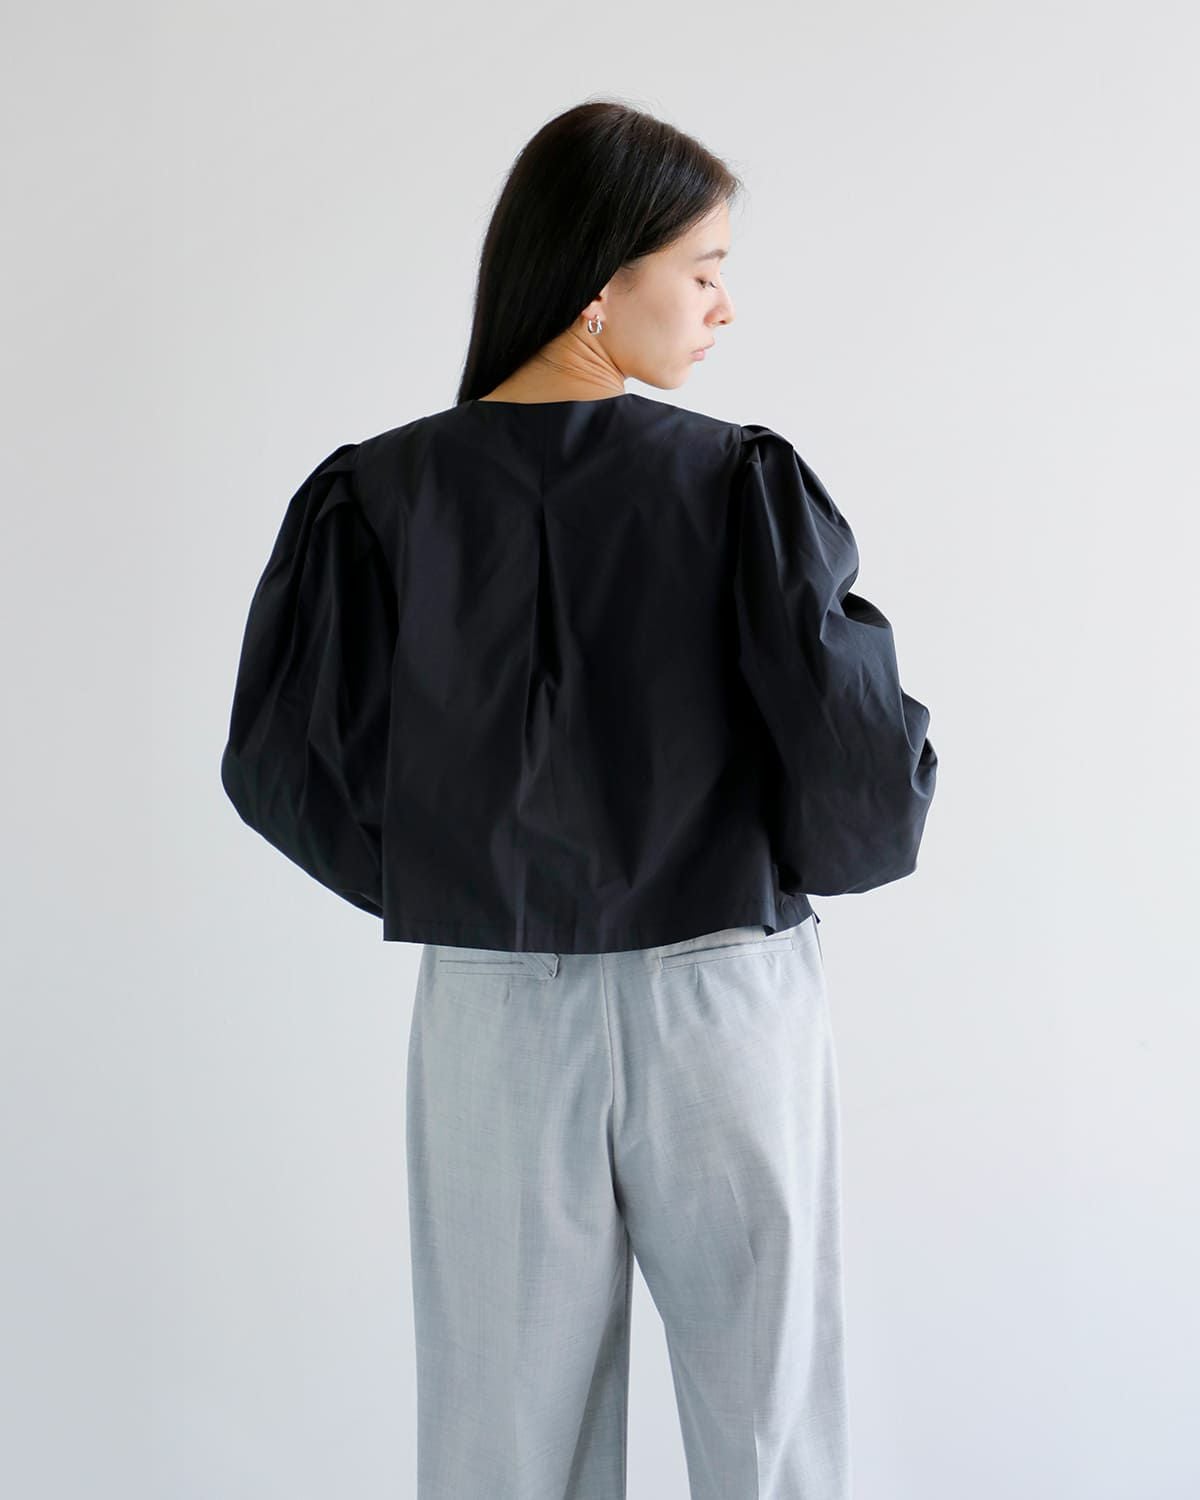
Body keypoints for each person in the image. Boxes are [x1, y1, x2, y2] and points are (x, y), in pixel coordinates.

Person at [220, 98, 937, 1500]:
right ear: (602, 282)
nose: (725, 305)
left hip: (493, 1008)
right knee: (771, 1432)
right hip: (722, 995)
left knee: (503, 1445)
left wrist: (454, 866)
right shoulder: (735, 485)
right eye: (705, 268)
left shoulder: (380, 495)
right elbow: (864, 789)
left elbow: (280, 763)